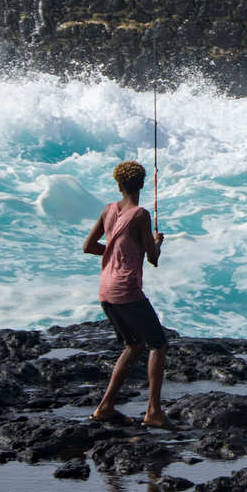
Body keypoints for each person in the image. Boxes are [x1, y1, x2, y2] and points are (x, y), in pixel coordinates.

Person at [83, 159, 168, 427]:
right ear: (142, 184)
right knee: (159, 344)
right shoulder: (141, 215)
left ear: (118, 184)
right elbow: (153, 258)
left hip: (106, 290)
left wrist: (111, 252)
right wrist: (156, 242)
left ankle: (106, 406)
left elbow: (88, 246)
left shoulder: (108, 210)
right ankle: (153, 412)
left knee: (134, 345)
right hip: (127, 289)